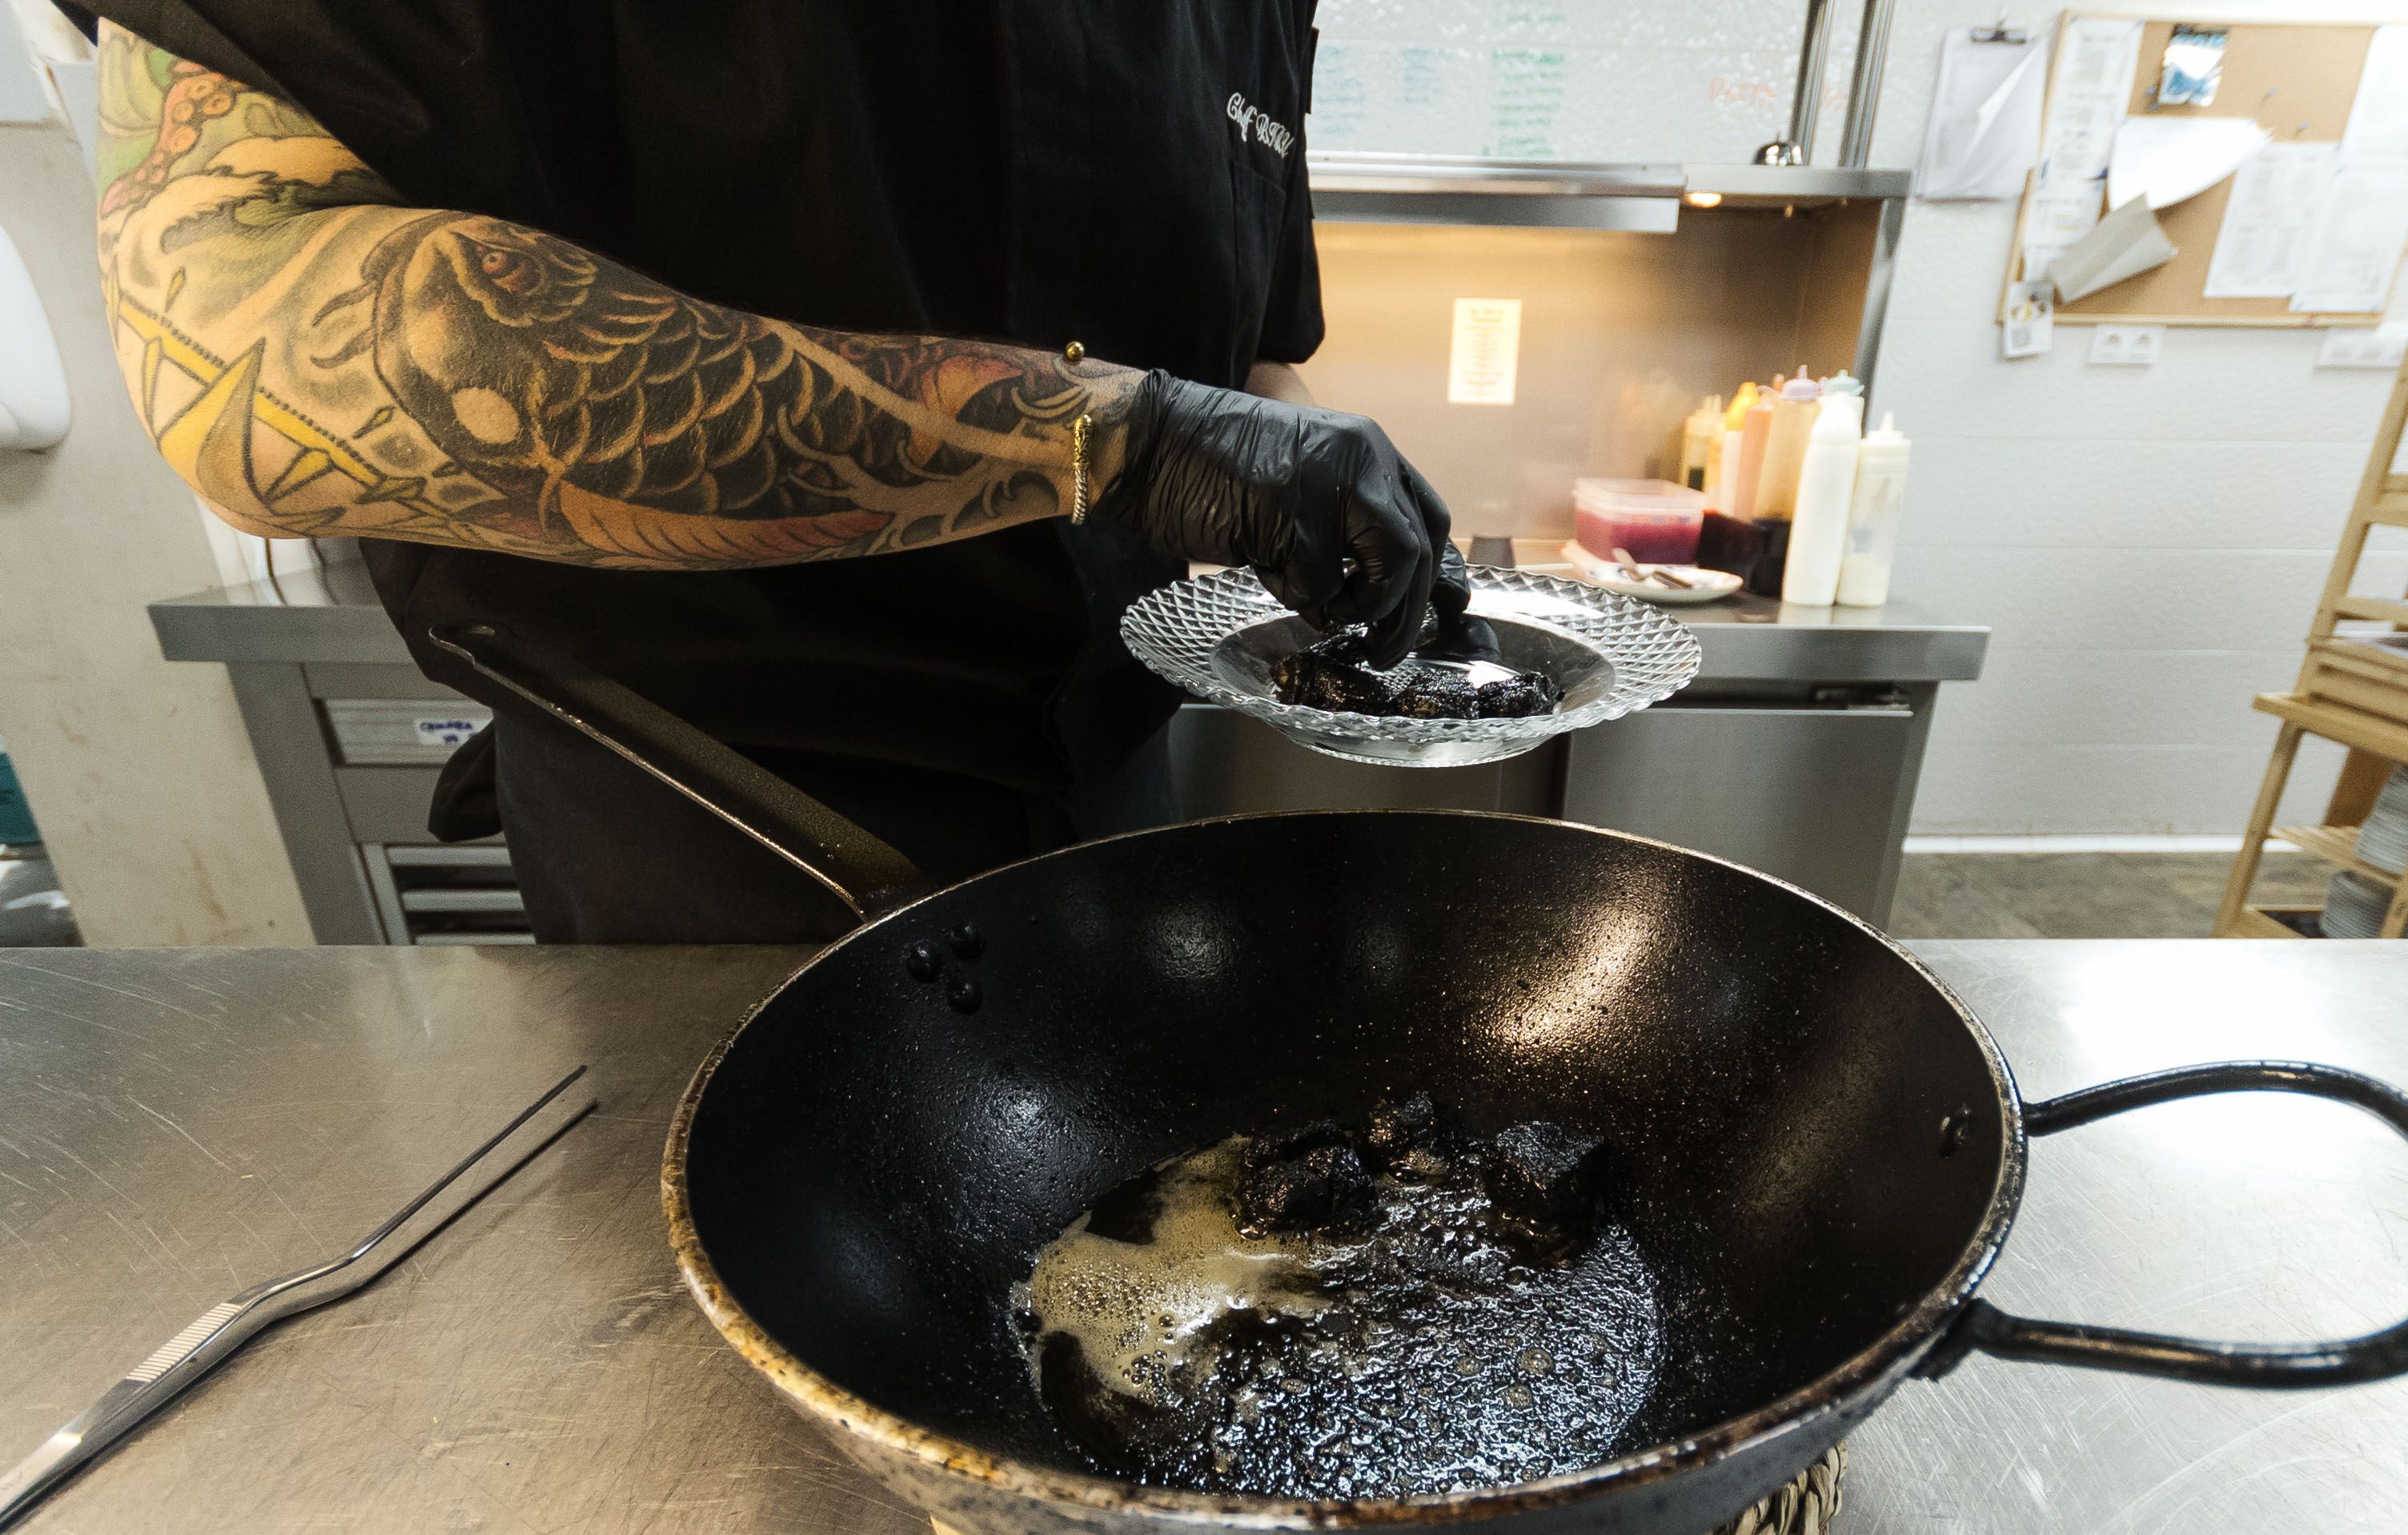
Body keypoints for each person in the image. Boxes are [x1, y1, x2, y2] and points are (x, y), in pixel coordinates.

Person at [72, 3, 1464, 940]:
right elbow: (236, 323)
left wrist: (1333, 482)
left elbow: (1249, 353)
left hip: (1112, 796)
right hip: (719, 825)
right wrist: (1117, 438)